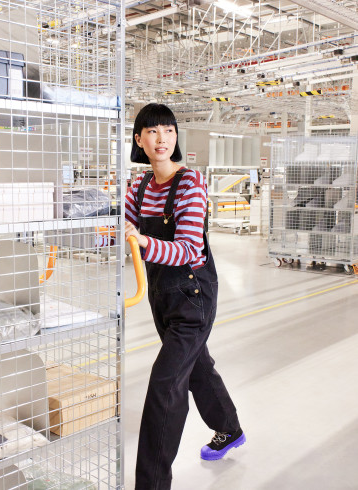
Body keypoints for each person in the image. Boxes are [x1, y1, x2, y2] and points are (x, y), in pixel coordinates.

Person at [125, 103, 245, 490]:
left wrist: (140, 240)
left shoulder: (190, 183)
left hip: (193, 295)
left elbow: (189, 248)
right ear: (139, 139)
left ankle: (152, 484)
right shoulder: (139, 187)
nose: (162, 138)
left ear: (176, 137)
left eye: (169, 130)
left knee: (165, 385)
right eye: (153, 131)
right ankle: (229, 428)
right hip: (160, 296)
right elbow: (118, 224)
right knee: (195, 367)